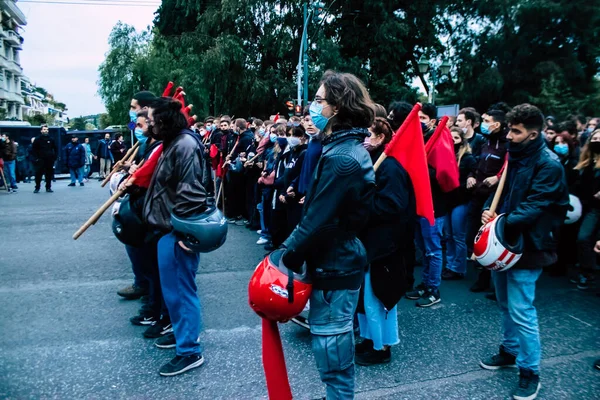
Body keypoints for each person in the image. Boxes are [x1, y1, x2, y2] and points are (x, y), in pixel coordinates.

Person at [281, 71, 376, 399]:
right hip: (332, 261)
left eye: (319, 100)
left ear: (338, 107)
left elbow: (317, 222)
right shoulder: (338, 148)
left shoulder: (342, 158)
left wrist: (282, 261)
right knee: (330, 351)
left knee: (333, 356)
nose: (312, 107)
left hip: (336, 266)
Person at [479, 104, 568, 400]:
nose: (509, 136)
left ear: (533, 134)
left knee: (522, 310)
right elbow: (500, 191)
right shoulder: (515, 156)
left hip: (528, 246)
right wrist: (486, 209)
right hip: (506, 242)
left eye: (516, 132)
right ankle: (510, 350)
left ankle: (530, 371)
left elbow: (535, 206)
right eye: (509, 129)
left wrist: (499, 223)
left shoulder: (549, 164)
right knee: (505, 303)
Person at [143, 96, 208, 376]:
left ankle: (189, 350)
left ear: (165, 121)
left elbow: (191, 192)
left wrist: (185, 231)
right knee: (175, 292)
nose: (150, 125)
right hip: (169, 229)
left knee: (181, 291)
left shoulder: (185, 144)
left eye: (154, 120)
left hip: (177, 231)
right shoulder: (173, 142)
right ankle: (183, 335)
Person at [356, 116, 416, 366]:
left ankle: (382, 348)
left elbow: (394, 206)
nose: (364, 139)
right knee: (365, 299)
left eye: (369, 134)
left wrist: (363, 201)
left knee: (377, 297)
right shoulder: (370, 161)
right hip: (368, 242)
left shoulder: (390, 168)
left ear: (381, 138)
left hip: (384, 246)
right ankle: (370, 339)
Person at [405, 102, 447, 307]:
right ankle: (426, 283)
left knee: (433, 249)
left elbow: (442, 174)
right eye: (417, 119)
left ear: (431, 121)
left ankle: (433, 289)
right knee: (424, 247)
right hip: (419, 204)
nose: (419, 123)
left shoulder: (438, 141)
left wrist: (419, 171)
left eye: (422, 119)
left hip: (434, 206)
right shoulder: (418, 140)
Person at [466, 108, 509, 293]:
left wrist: (498, 178)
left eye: (486, 119)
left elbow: (508, 168)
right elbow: (477, 164)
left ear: (496, 124)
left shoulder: (507, 145)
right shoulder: (485, 142)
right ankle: (481, 274)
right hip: (478, 195)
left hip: (494, 199)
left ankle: (488, 280)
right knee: (472, 236)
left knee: (491, 239)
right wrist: (470, 175)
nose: (482, 122)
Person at [442, 127, 477, 280]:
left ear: (461, 140)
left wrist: (471, 176)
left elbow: (475, 171)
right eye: (450, 138)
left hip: (461, 200)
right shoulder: (445, 155)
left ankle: (458, 268)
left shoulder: (468, 158)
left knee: (458, 236)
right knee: (448, 236)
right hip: (447, 200)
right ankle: (450, 265)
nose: (452, 141)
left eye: (455, 138)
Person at [573, 129, 600, 290]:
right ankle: (588, 272)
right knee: (584, 238)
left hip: (597, 208)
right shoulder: (586, 162)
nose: (597, 141)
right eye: (594, 138)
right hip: (590, 207)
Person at [32, 124, 58, 193]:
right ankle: (37, 187)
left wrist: (54, 157)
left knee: (49, 174)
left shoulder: (51, 139)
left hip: (49, 160)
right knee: (38, 175)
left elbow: (55, 148)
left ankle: (48, 187)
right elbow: (33, 149)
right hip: (40, 160)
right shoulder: (37, 139)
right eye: (44, 129)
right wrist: (36, 158)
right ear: (41, 131)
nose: (45, 131)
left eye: (46, 129)